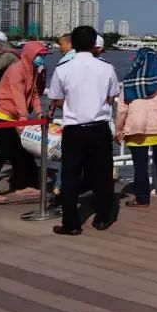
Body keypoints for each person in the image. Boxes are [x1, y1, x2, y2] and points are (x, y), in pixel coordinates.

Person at [47, 25, 121, 235]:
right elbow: (112, 97)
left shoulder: (63, 68)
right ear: (94, 43)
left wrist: (74, 106)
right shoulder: (107, 68)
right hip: (99, 127)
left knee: (70, 176)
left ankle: (71, 223)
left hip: (73, 129)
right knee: (102, 174)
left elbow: (57, 99)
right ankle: (102, 218)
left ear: (73, 44)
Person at [0, 41, 49, 204]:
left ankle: (22, 185)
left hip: (15, 118)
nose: (42, 59)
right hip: (2, 118)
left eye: (44, 56)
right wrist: (23, 118)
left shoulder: (32, 70)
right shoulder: (16, 70)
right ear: (30, 54)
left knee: (22, 153)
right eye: (39, 55)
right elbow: (18, 94)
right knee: (3, 153)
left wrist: (39, 112)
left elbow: (34, 93)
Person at [116, 48, 157, 206]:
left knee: (140, 166)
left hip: (135, 128)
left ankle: (142, 199)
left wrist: (118, 130)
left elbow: (122, 109)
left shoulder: (128, 82)